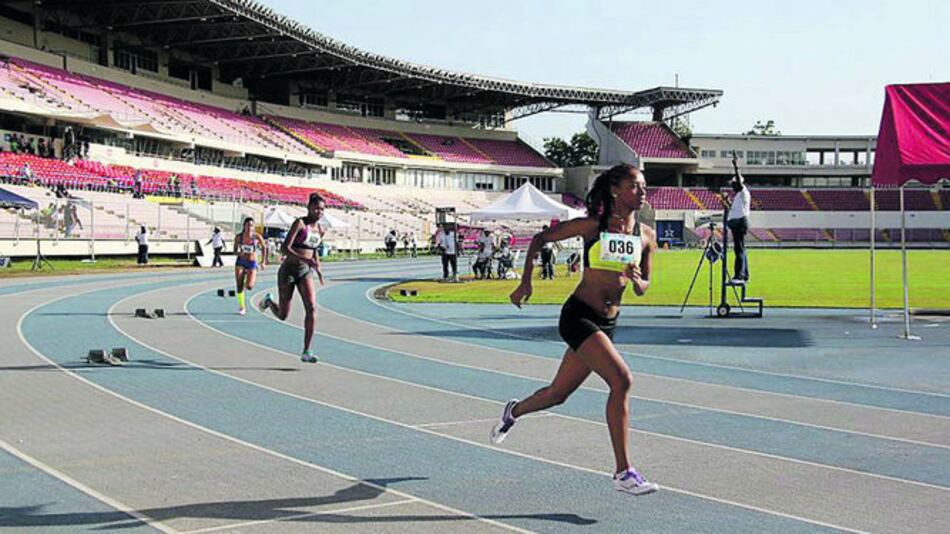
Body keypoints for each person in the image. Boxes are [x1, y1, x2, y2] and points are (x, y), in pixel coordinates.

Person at [492, 163, 659, 496]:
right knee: (622, 380)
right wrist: (525, 282)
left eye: (643, 186)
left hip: (607, 323)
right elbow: (540, 239)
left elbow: (644, 287)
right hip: (579, 316)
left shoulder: (646, 236)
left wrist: (638, 280)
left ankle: (514, 411)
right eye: (634, 186)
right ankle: (623, 472)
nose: (642, 192)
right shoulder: (593, 226)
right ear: (615, 190)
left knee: (557, 394)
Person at [259, 192, 326, 363]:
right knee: (283, 315)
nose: (319, 212)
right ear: (309, 207)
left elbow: (314, 250)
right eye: (316, 208)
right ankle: (269, 302)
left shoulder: (320, 229)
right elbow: (284, 248)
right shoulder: (300, 224)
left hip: (305, 272)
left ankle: (307, 350)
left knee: (311, 308)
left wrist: (317, 266)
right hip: (288, 271)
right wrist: (304, 259)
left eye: (322, 209)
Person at [233, 217, 267, 315]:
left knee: (249, 286)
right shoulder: (239, 237)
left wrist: (263, 261)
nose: (249, 227)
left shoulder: (257, 237)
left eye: (251, 225)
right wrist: (238, 253)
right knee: (239, 285)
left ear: (254, 227)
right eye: (247, 225)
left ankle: (245, 284)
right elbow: (234, 250)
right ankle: (242, 307)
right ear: (244, 226)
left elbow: (264, 247)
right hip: (241, 261)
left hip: (252, 263)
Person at [724, 174, 751, 283]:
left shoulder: (743, 191)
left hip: (740, 222)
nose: (732, 187)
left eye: (733, 184)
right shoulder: (739, 195)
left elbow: (739, 182)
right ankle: (744, 275)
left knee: (739, 249)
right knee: (741, 249)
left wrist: (736, 167)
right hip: (737, 223)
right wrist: (727, 201)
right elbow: (733, 209)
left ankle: (739, 276)